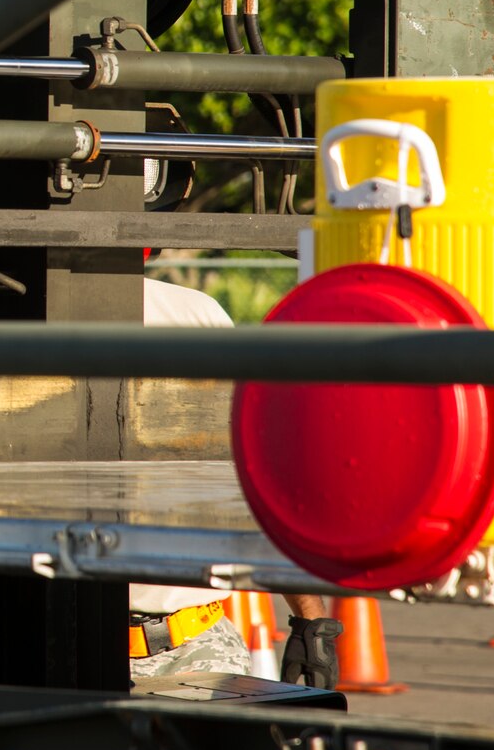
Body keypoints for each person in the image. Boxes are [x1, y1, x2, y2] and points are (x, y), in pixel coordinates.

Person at [129, 263, 342, 689]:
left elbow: (247, 481)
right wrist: (309, 620)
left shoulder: (194, 316)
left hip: (196, 643)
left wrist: (311, 619)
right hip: (82, 644)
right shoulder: (193, 314)